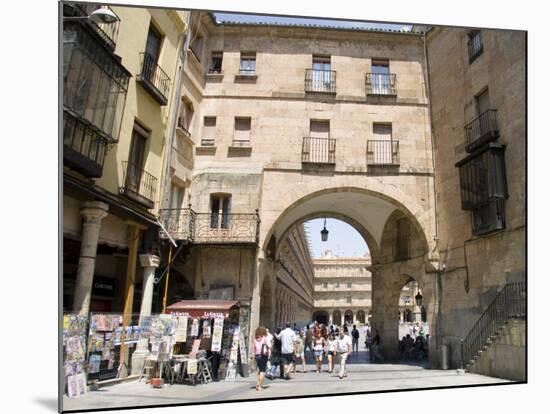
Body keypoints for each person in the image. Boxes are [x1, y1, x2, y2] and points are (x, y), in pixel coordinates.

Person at [253, 326, 270, 391]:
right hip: (263, 355)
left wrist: (254, 356)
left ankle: (258, 383)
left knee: (259, 370)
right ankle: (259, 385)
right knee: (263, 371)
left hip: (257, 356)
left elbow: (253, 349)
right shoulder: (265, 338)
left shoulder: (255, 339)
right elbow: (269, 346)